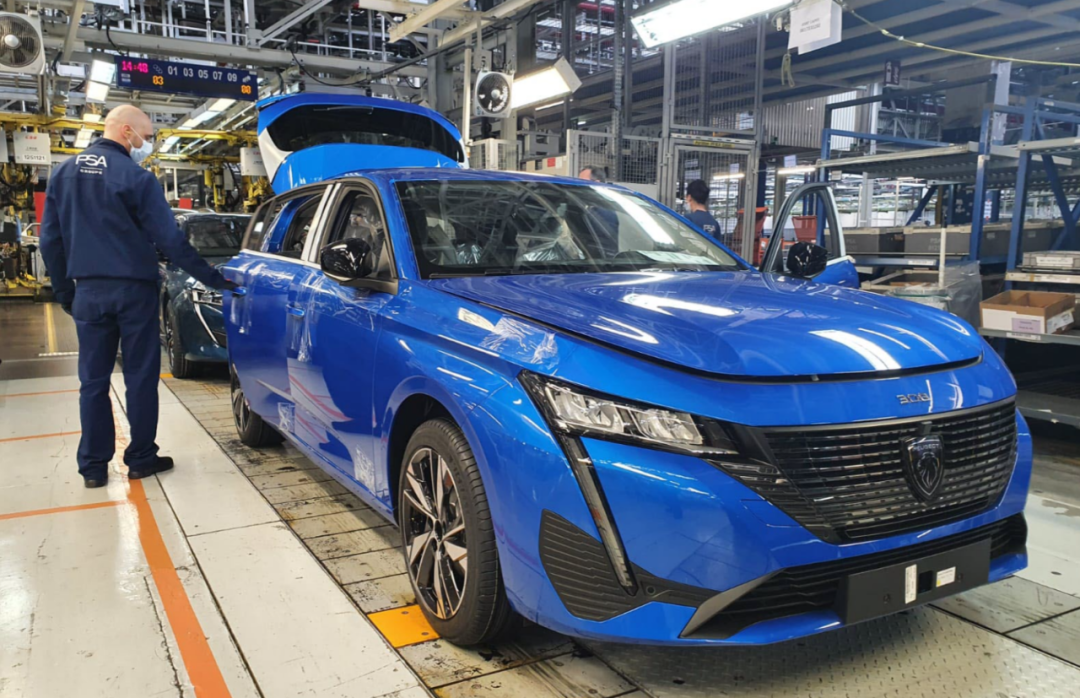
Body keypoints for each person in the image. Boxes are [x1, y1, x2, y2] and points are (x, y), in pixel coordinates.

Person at [39, 105, 233, 488]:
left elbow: (50, 241)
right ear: (126, 131)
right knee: (140, 377)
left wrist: (66, 292)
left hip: (88, 291)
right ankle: (141, 458)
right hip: (134, 292)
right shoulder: (136, 177)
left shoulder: (63, 173)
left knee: (92, 381)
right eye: (147, 135)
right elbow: (171, 241)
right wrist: (214, 279)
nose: (148, 143)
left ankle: (93, 467)